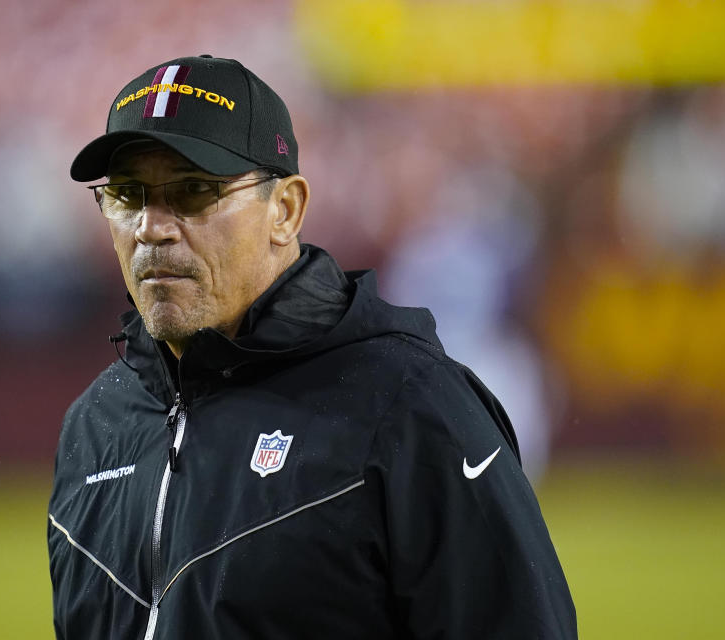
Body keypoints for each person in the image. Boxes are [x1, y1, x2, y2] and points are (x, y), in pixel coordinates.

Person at [47, 54, 576, 639]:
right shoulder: (97, 423)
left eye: (193, 191)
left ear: (286, 210)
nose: (151, 226)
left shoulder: (409, 405)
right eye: (126, 194)